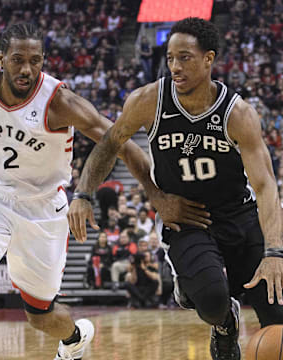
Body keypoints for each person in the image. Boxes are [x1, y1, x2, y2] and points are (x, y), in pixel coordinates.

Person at [0, 23, 210, 360]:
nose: (26, 69)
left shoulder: (60, 102)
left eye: (35, 61)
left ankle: (74, 337)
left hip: (43, 209)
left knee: (40, 316)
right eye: (17, 60)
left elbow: (119, 141)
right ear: (1, 59)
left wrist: (156, 195)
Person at [68, 17, 283, 360]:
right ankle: (224, 323)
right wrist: (85, 194)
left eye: (184, 57)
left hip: (240, 215)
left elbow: (266, 185)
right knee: (212, 301)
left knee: (278, 315)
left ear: (209, 59)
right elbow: (112, 143)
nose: (174, 66)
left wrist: (274, 253)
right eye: (170, 58)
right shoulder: (148, 100)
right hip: (186, 218)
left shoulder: (237, 113)